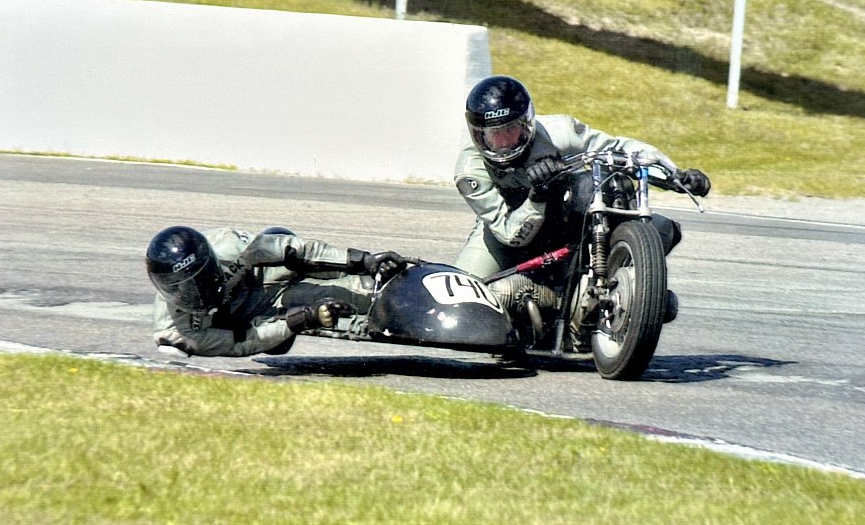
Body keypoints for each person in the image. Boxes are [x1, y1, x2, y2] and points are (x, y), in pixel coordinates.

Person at [453, 75, 711, 323]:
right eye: (494, 134)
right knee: (461, 301)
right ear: (478, 135)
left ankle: (617, 280)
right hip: (505, 232)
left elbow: (619, 149)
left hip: (566, 217)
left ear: (526, 123)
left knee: (623, 199)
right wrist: (537, 195)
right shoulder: (469, 170)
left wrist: (674, 175)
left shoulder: (559, 132)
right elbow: (508, 233)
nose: (504, 141)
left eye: (511, 129)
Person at [145, 225, 406, 357]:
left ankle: (381, 277)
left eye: (200, 280)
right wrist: (301, 318)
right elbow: (241, 341)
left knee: (280, 238)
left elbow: (297, 249)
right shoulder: (174, 333)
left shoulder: (233, 246)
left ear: (211, 262)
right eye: (182, 288)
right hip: (247, 319)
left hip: (260, 278)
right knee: (333, 301)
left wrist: (362, 260)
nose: (196, 293)